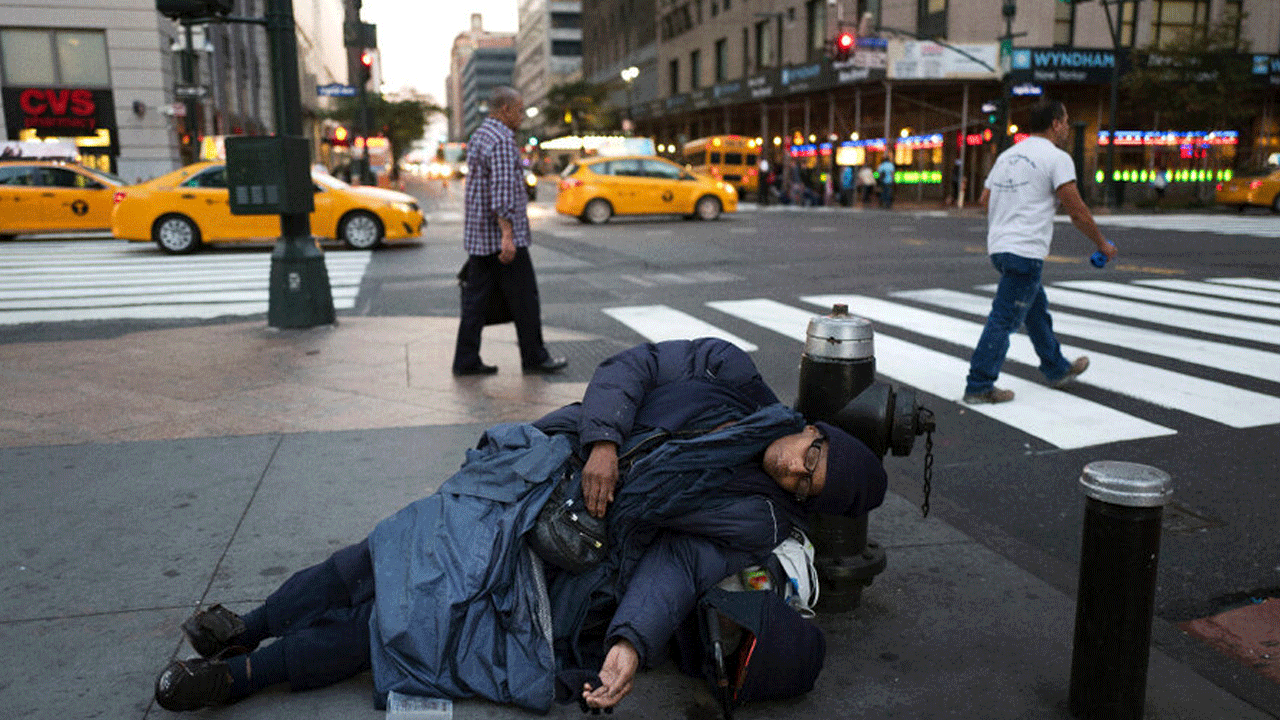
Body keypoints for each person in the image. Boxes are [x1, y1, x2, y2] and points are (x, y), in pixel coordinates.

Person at [153, 338, 888, 714]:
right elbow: (628, 368)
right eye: (808, 458)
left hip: (566, 560)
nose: (793, 470)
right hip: (533, 475)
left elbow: (677, 569)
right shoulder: (727, 372)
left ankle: (236, 678)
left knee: (405, 619)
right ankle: (246, 625)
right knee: (377, 557)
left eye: (806, 487)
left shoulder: (755, 519)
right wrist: (604, 440)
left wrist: (631, 644)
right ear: (814, 428)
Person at [962, 99, 1117, 404]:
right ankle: (979, 384)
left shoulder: (1007, 155)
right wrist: (1101, 243)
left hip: (1000, 248)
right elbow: (1076, 210)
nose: (1068, 127)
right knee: (1004, 319)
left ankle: (1056, 368)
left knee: (1034, 309)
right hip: (1025, 250)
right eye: (1067, 121)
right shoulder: (1056, 158)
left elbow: (984, 198)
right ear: (1056, 123)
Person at [453, 86, 566, 376]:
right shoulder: (503, 140)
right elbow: (502, 192)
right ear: (505, 110)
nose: (521, 116)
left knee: (476, 302)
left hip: (479, 237)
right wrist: (508, 235)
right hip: (500, 240)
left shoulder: (480, 135)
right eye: (519, 110)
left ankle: (465, 359)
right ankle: (534, 357)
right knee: (526, 298)